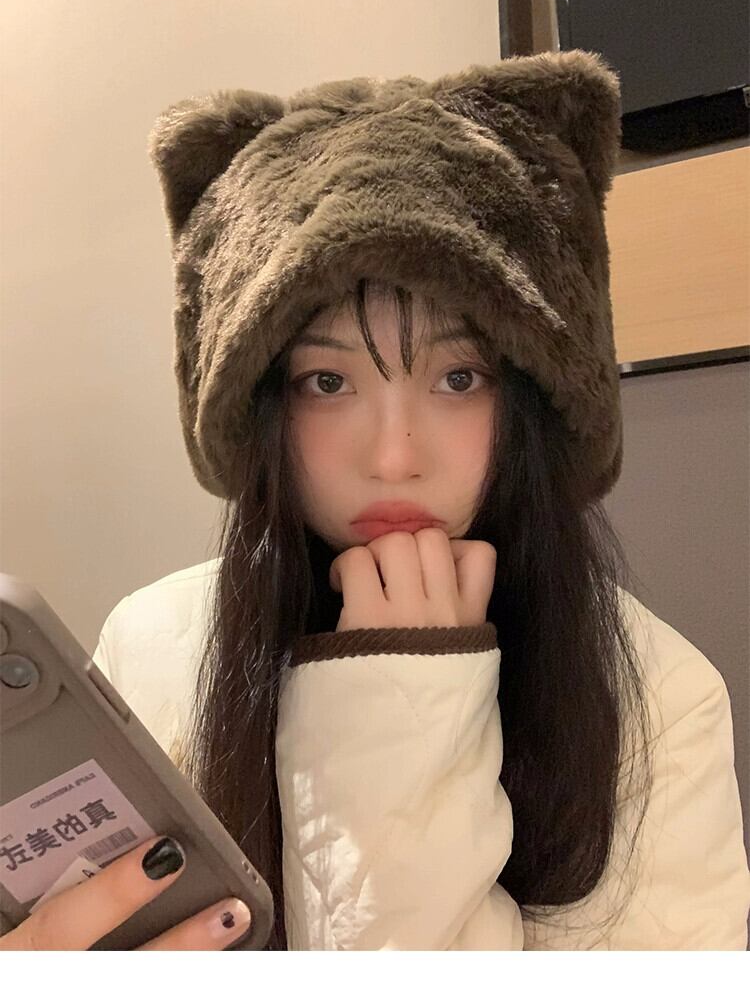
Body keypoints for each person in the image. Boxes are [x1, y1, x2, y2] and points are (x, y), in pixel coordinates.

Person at [3, 50, 748, 951]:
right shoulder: (156, 640)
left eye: (458, 377)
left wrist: (407, 697)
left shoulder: (655, 699)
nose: (394, 457)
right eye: (327, 382)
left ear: (534, 399)